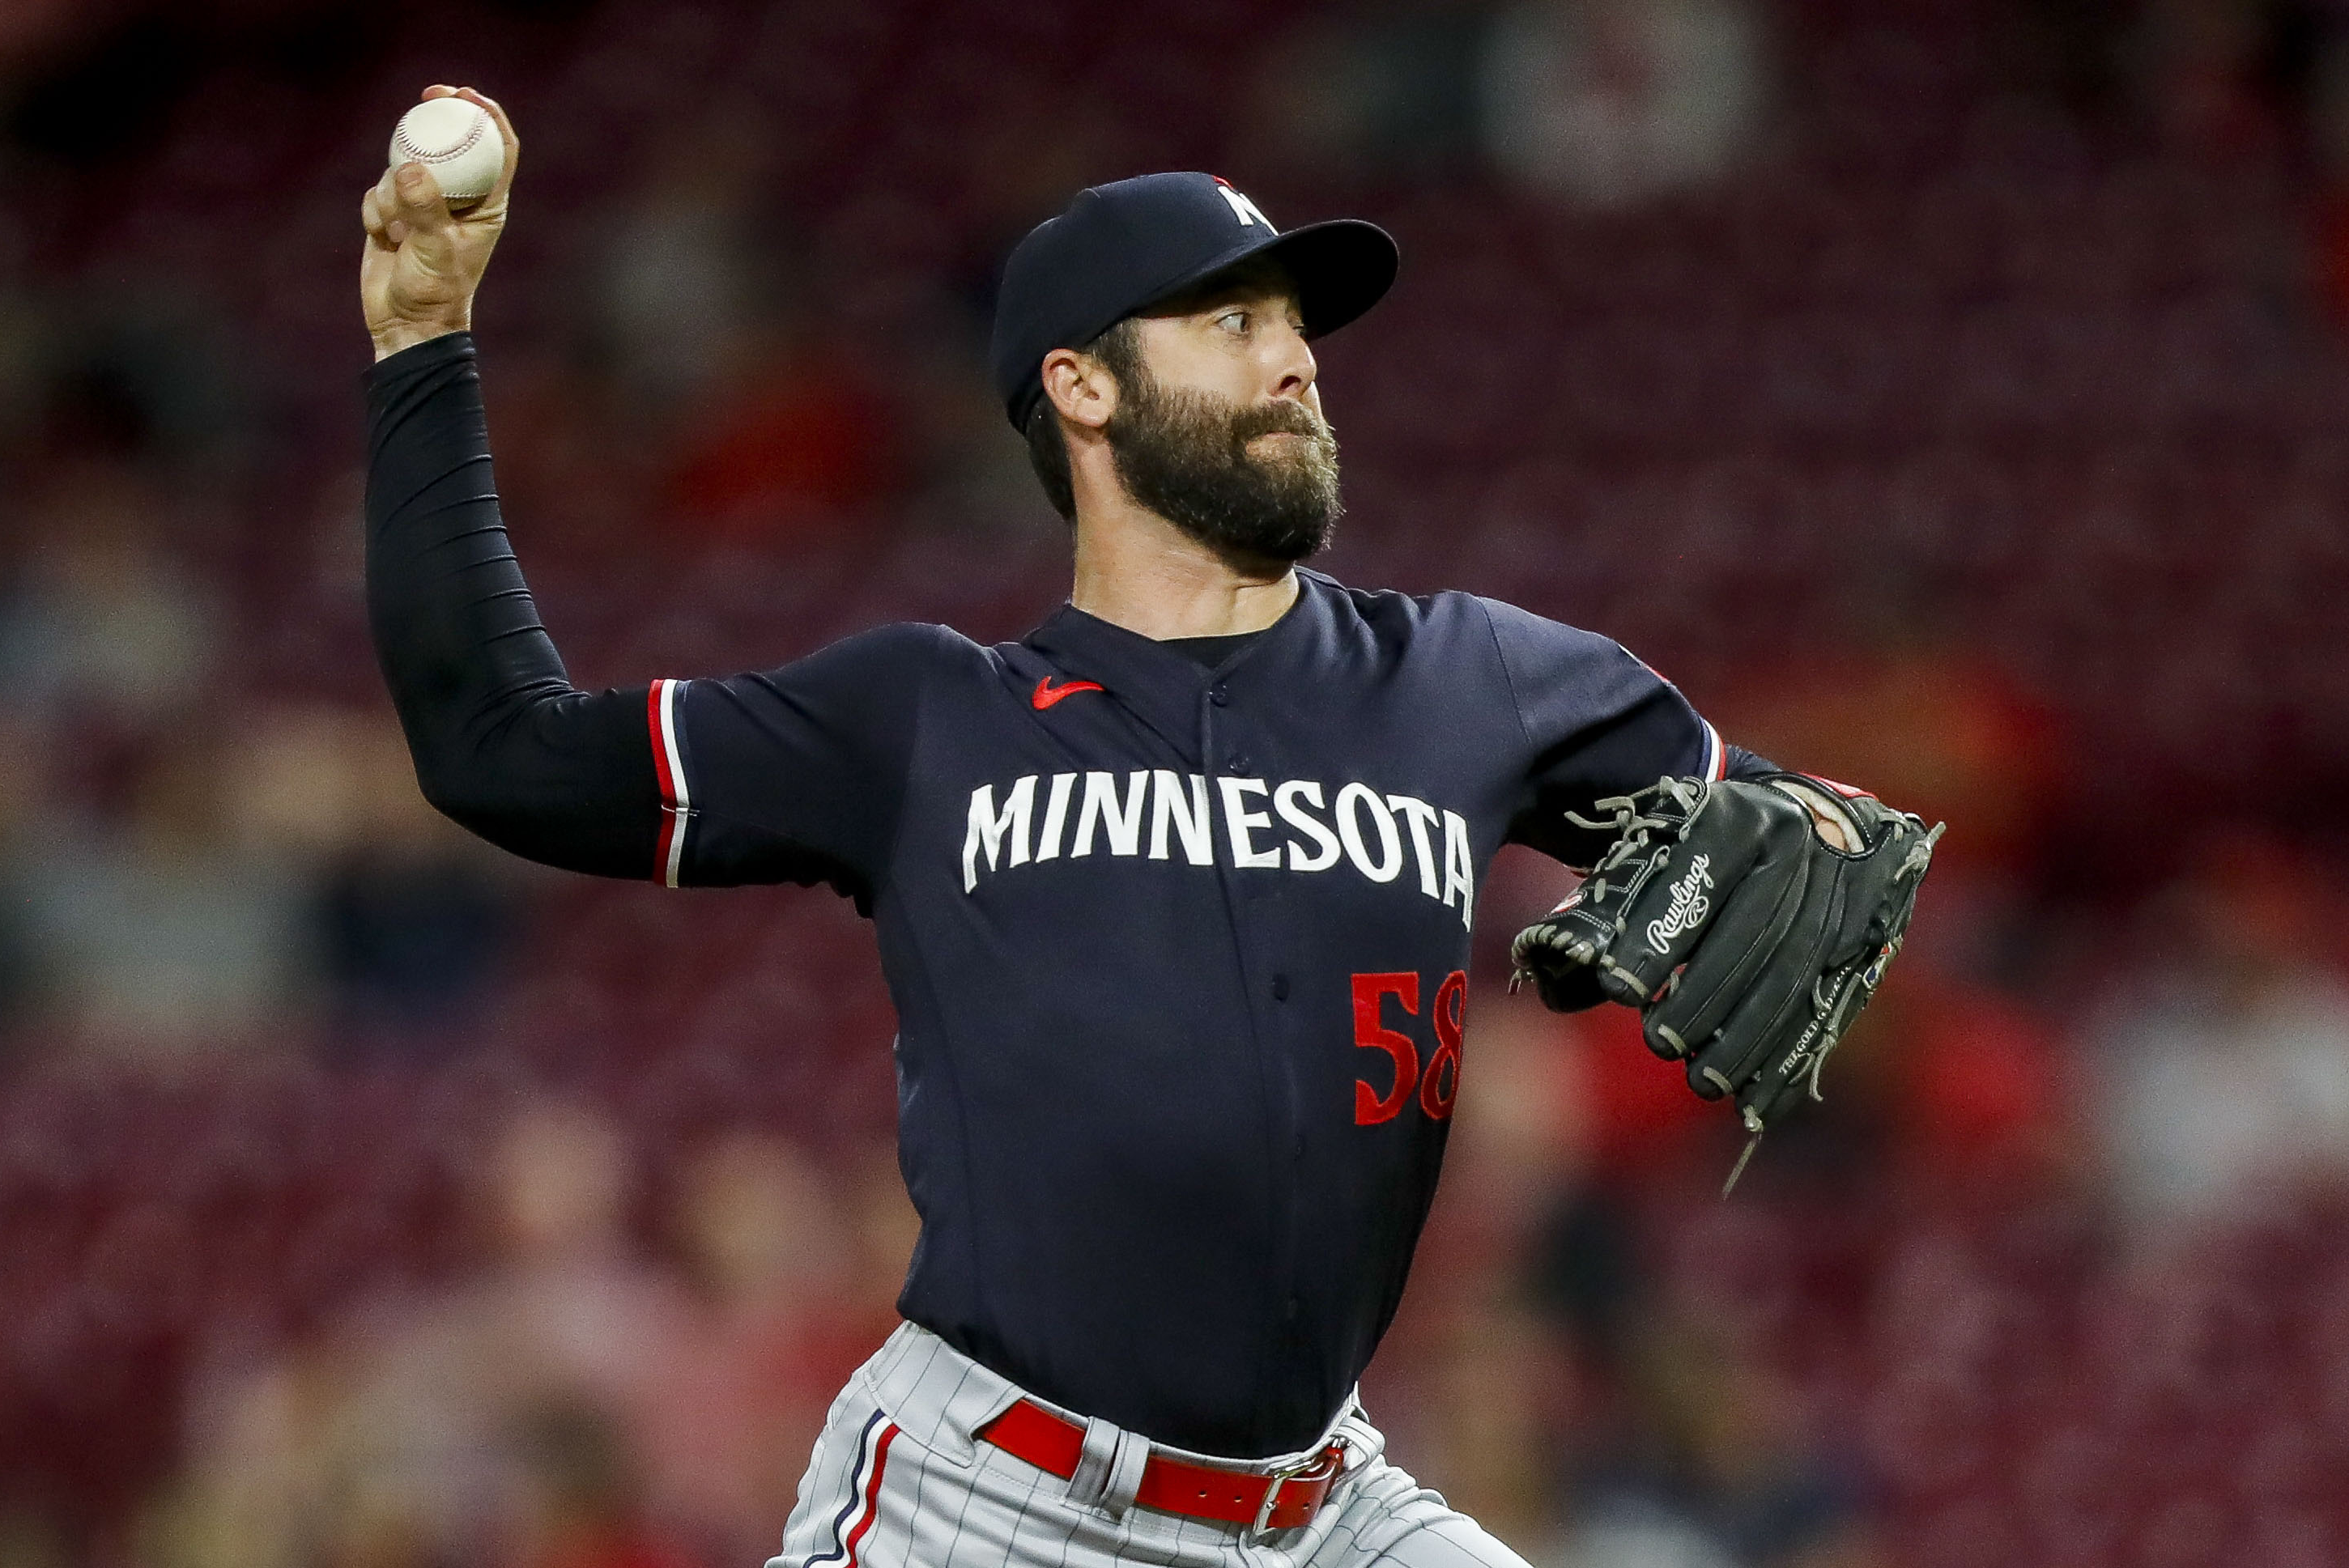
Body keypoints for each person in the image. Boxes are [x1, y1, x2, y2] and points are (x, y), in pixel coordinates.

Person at [360, 84, 1858, 1568]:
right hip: (985, 1508)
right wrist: (422, 344)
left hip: (1323, 1508)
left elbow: (1817, 859)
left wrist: (1817, 860)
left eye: (1293, 325)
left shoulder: (1478, 682)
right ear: (1082, 388)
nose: (1291, 361)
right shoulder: (925, 720)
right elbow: (504, 753)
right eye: (1229, 322)